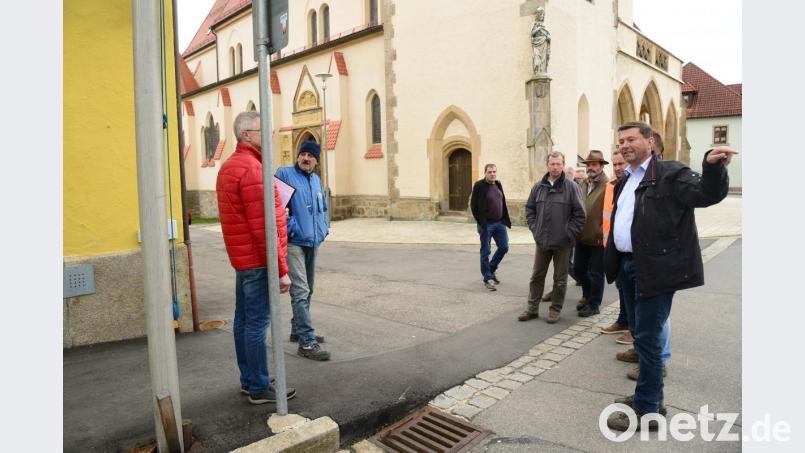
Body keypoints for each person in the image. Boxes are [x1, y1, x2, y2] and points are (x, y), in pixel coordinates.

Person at [604, 121, 735, 431]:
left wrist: (713, 167)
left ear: (651, 143)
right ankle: (649, 397)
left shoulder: (671, 173)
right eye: (621, 140)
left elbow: (707, 193)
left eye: (631, 139)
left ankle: (647, 409)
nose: (624, 144)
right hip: (627, 267)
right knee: (640, 334)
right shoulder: (625, 180)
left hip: (656, 269)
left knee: (648, 340)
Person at [216, 111, 296, 405]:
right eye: (264, 131)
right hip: (258, 261)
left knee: (243, 321)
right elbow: (263, 227)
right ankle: (260, 388)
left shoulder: (231, 166)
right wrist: (282, 270)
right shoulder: (251, 169)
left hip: (244, 259)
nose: (270, 135)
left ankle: (250, 379)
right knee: (257, 323)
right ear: (246, 134)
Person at [275, 141, 331, 361]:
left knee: (309, 289)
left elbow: (323, 207)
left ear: (316, 160)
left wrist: (324, 228)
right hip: (294, 242)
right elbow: (275, 206)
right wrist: (291, 228)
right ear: (298, 156)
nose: (305, 158)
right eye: (303, 154)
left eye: (310, 155)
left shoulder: (316, 179)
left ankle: (297, 330)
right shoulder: (285, 174)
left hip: (313, 241)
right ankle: (307, 343)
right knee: (300, 291)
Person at [519, 151, 586, 324]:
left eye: (558, 164)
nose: (555, 167)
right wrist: (535, 230)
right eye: (552, 164)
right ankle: (532, 309)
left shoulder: (571, 187)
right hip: (542, 241)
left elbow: (580, 215)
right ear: (547, 165)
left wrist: (568, 233)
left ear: (563, 165)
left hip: (563, 243)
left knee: (560, 279)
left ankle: (555, 310)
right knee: (537, 276)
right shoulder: (538, 187)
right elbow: (530, 209)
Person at [599, 150, 633, 341]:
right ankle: (623, 320)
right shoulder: (611, 185)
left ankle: (634, 330)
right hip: (611, 246)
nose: (618, 167)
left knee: (632, 290)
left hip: (628, 248)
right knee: (621, 286)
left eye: (622, 163)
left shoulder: (633, 184)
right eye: (615, 164)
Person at [573, 151, 610, 318]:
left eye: (594, 164)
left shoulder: (608, 185)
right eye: (588, 165)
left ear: (601, 166)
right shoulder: (582, 184)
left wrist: (602, 229)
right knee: (578, 270)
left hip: (597, 237)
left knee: (596, 273)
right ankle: (587, 295)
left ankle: (594, 304)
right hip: (581, 236)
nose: (590, 168)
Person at [470, 164, 511, 291]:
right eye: (490, 172)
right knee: (486, 251)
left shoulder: (498, 184)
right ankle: (487, 278)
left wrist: (504, 219)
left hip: (499, 223)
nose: (492, 174)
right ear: (485, 173)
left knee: (504, 247)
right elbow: (474, 205)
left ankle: (491, 269)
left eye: (494, 172)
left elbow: (502, 202)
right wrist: (482, 222)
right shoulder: (479, 185)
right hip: (486, 224)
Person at [530, 6, 551, 74]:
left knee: (543, 59)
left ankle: (542, 71)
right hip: (536, 44)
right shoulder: (534, 24)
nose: (542, 16)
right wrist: (538, 29)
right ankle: (537, 71)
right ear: (538, 15)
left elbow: (548, 35)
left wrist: (548, 38)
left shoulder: (545, 25)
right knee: (536, 58)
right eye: (541, 15)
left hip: (544, 43)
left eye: (543, 15)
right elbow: (531, 34)